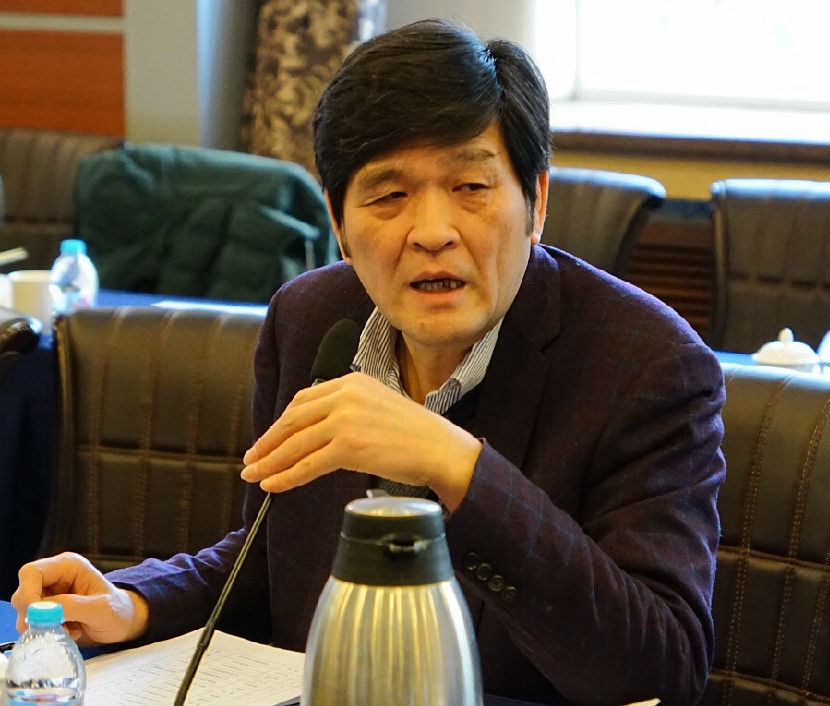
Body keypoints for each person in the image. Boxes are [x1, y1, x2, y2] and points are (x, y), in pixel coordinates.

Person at [12, 18, 725, 706]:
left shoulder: (648, 365)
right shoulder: (312, 320)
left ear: (535, 201)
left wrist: (455, 465)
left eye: (471, 189)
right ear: (338, 221)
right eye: (389, 196)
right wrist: (133, 601)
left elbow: (663, 665)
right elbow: (273, 556)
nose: (433, 233)